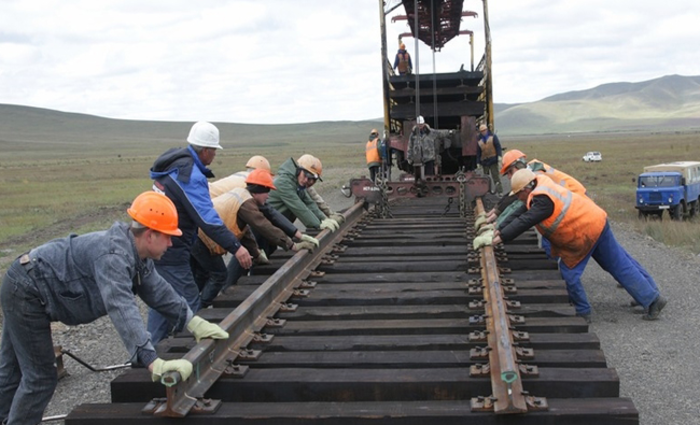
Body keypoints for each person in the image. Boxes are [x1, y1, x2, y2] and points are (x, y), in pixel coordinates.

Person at [0, 192, 229, 425]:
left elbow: (158, 291)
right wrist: (152, 360)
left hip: (23, 281)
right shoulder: (114, 257)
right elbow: (121, 305)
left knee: (12, 371)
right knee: (40, 377)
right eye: (168, 237)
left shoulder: (136, 254)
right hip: (27, 291)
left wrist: (193, 322)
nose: (171, 243)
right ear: (150, 235)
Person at [482, 168, 667, 322]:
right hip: (597, 220)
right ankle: (652, 300)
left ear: (525, 189)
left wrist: (501, 237)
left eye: (518, 194)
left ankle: (583, 312)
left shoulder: (542, 202)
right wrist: (498, 230)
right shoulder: (540, 187)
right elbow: (519, 214)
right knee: (617, 264)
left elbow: (525, 221)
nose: (519, 198)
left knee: (569, 273)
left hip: (585, 231)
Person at [148, 121, 252, 344]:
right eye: (213, 150)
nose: (214, 155)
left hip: (153, 242)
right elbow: (207, 219)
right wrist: (237, 247)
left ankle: (150, 349)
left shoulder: (173, 167)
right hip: (170, 247)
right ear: (205, 150)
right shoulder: (190, 176)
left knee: (159, 296)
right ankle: (193, 353)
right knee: (189, 301)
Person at [192, 169, 319, 307]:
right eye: (267, 192)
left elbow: (245, 233)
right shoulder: (247, 203)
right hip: (201, 238)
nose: (268, 196)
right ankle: (199, 310)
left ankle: (192, 307)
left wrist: (256, 254)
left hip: (197, 235)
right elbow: (264, 225)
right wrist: (292, 245)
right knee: (219, 275)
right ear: (259, 190)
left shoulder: (243, 196)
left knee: (201, 276)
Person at [267, 155, 340, 232]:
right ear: (298, 170)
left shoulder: (297, 183)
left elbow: (309, 203)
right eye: (305, 175)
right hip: (262, 227)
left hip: (273, 227)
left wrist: (324, 219)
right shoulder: (284, 183)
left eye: (312, 179)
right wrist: (318, 224)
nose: (306, 180)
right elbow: (300, 208)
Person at [297, 154, 346, 226]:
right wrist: (322, 221)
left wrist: (330, 214)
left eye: (314, 179)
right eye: (308, 176)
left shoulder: (304, 185)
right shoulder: (288, 185)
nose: (310, 182)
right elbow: (300, 209)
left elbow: (316, 199)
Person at [477, 123, 503, 195]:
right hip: (485, 161)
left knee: (495, 177)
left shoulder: (493, 137)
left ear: (487, 130)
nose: (483, 132)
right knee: (485, 178)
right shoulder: (479, 140)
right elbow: (478, 152)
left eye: (484, 130)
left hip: (493, 160)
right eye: (482, 131)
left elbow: (498, 146)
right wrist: (478, 162)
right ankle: (486, 192)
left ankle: (500, 192)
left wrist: (499, 156)